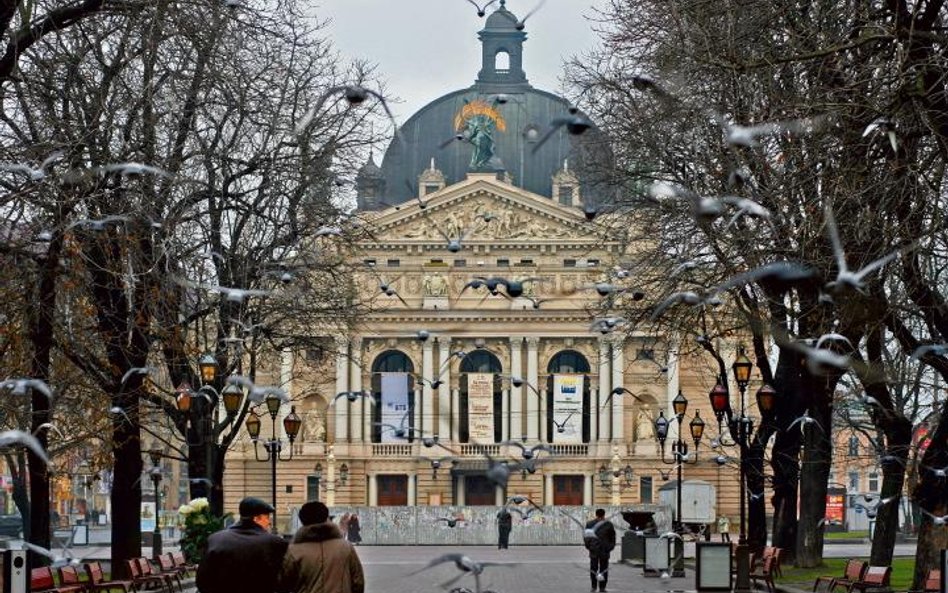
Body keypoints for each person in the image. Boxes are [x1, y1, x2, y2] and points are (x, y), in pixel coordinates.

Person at [196, 497, 288, 593]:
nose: (269, 522)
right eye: (267, 517)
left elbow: (202, 580)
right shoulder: (274, 543)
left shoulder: (215, 539)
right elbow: (284, 579)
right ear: (256, 518)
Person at [280, 501, 365, 593]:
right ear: (326, 517)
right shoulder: (345, 547)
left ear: (303, 521)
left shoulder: (294, 551)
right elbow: (358, 582)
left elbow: (284, 584)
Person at [584, 508, 616, 593]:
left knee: (593, 569)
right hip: (604, 550)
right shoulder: (609, 524)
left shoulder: (589, 524)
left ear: (596, 514)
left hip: (594, 550)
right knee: (604, 569)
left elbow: (587, 537)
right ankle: (602, 587)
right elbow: (612, 538)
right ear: (604, 515)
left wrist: (589, 547)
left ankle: (594, 587)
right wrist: (610, 547)